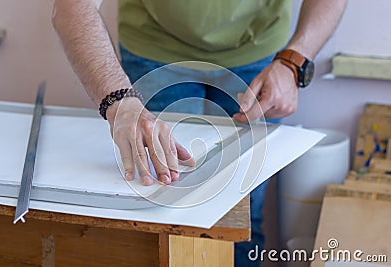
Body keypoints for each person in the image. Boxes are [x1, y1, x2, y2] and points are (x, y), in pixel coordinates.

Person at [52, 0, 347, 265]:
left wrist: (294, 61)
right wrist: (118, 100)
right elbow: (71, 6)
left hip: (257, 49)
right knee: (159, 209)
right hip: (154, 44)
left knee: (241, 216)